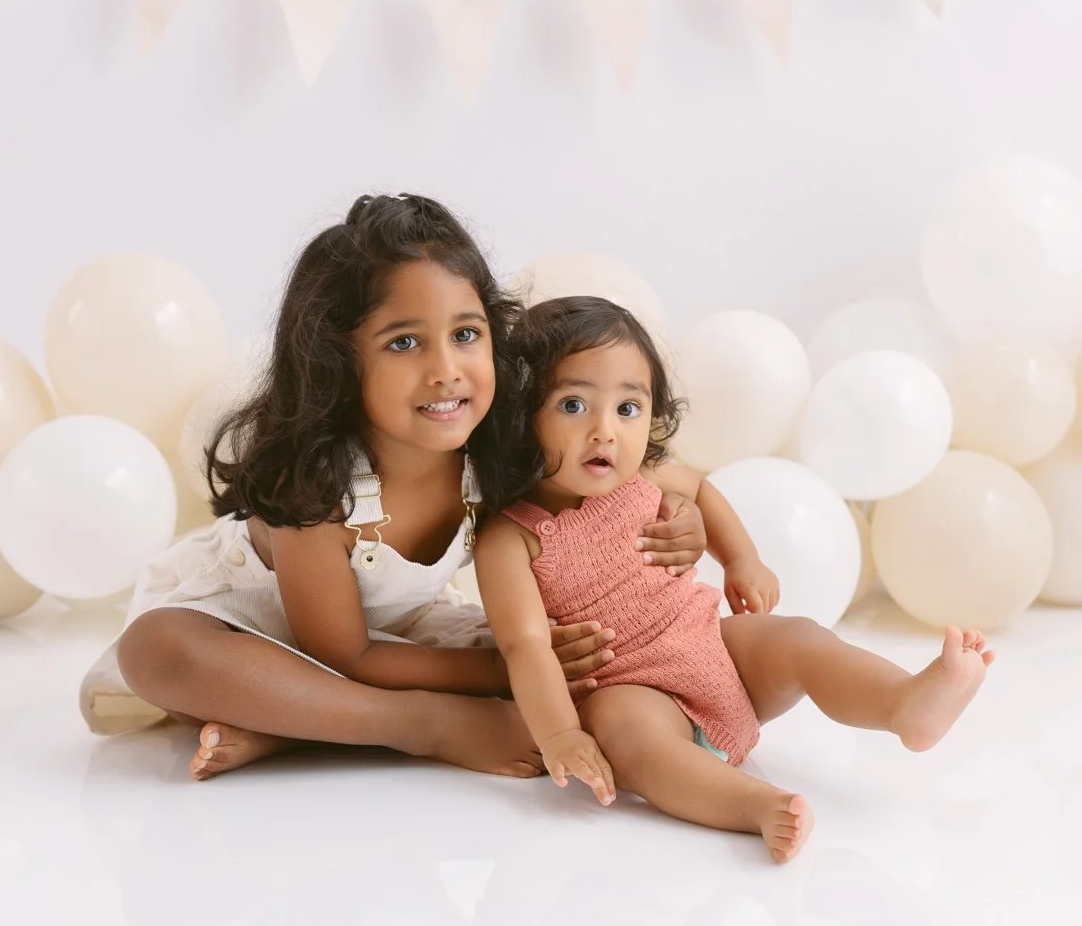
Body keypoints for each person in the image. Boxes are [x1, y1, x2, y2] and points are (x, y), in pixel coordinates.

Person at [79, 195, 708, 780]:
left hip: (397, 642)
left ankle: (295, 731)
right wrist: (487, 676)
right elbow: (342, 653)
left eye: (466, 335)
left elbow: (626, 471)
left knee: (566, 660)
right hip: (262, 633)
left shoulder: (498, 446)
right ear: (340, 362)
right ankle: (414, 725)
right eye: (404, 342)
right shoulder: (316, 485)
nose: (445, 371)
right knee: (156, 653)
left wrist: (682, 514)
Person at [475, 296, 996, 862]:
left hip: (717, 653)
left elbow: (701, 488)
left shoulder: (645, 474)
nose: (605, 432)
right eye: (574, 404)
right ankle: (752, 804)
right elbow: (525, 646)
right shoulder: (512, 537)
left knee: (796, 638)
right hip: (632, 690)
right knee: (627, 733)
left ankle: (903, 702)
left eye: (628, 408)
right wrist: (559, 736)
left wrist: (741, 558)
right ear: (522, 416)